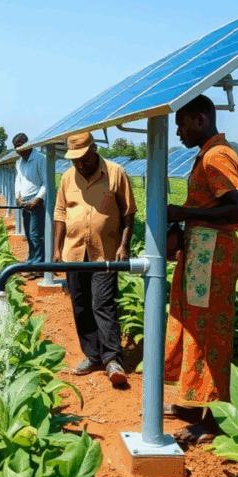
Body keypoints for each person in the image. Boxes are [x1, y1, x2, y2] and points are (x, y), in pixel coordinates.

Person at [163, 94, 238, 444]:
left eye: (181, 125)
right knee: (195, 328)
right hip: (203, 254)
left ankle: (213, 421)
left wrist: (184, 214)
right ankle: (193, 403)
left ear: (199, 120)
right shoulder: (209, 154)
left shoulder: (216, 156)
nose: (179, 134)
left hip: (213, 256)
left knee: (210, 334)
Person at [53, 132, 137, 385]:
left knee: (102, 304)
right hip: (75, 252)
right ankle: (93, 355)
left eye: (83, 158)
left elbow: (128, 211)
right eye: (74, 159)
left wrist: (125, 245)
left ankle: (113, 359)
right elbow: (60, 214)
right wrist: (57, 250)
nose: (79, 163)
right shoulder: (68, 177)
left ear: (94, 149)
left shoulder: (115, 172)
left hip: (106, 252)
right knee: (80, 305)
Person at [12, 133, 47, 278]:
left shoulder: (40, 159)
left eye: (19, 146)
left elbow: (46, 182)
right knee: (28, 234)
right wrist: (17, 197)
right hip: (24, 200)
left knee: (35, 235)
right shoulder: (19, 162)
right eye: (15, 147)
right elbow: (18, 181)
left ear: (27, 144)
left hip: (36, 201)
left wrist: (38, 199)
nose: (17, 150)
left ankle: (38, 266)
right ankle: (31, 262)